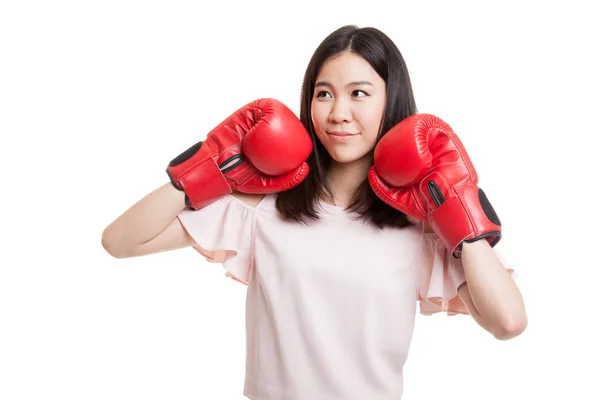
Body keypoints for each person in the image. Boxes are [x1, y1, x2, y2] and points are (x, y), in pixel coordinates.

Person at [101, 25, 527, 400]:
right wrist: (205, 168)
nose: (338, 113)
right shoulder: (262, 206)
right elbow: (119, 241)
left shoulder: (420, 224)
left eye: (359, 93)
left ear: (391, 101)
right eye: (324, 94)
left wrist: (459, 212)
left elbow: (508, 322)